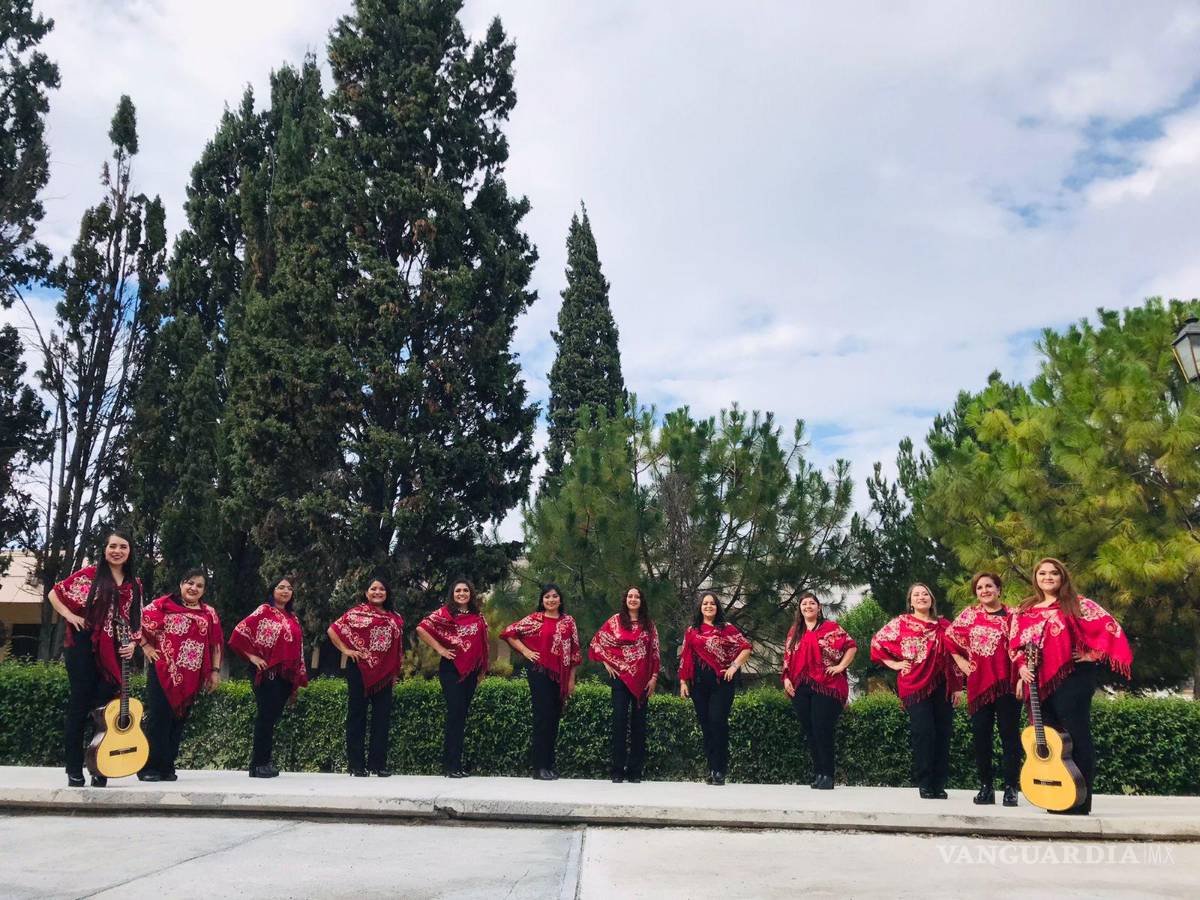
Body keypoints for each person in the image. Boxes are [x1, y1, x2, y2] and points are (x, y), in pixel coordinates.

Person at [1010, 557, 1132, 815]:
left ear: (1062, 577)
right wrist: (1021, 666)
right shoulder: (1026, 609)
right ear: (1036, 578)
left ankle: (1079, 801)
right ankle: (1056, 796)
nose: (1048, 577)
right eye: (1042, 573)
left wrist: (1091, 655)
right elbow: (1015, 644)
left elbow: (1111, 629)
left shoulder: (1079, 604)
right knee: (1051, 739)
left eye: (1054, 573)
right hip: (1038, 682)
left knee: (1075, 737)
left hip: (1073, 678)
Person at [47, 528, 143, 787]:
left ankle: (100, 766)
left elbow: (137, 619)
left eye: (123, 546)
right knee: (80, 706)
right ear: (105, 549)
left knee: (104, 712)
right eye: (113, 546)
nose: (117, 551)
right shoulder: (90, 575)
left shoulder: (134, 584)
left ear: (129, 551)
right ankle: (74, 769)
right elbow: (54, 594)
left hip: (113, 651)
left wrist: (132, 644)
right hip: (83, 645)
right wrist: (70, 615)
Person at [871, 583, 961, 799]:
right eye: (916, 595)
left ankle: (939, 784)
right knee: (924, 733)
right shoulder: (901, 623)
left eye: (925, 594)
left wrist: (957, 687)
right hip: (914, 685)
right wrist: (894, 664)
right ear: (910, 602)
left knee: (943, 734)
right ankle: (925, 783)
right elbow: (876, 643)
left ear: (931, 599)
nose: (921, 597)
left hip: (943, 686)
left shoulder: (945, 625)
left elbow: (955, 656)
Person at [137, 568, 223, 782]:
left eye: (199, 585)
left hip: (191, 675)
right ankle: (149, 767)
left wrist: (215, 671)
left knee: (178, 720)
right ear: (181, 584)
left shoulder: (209, 613)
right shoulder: (162, 605)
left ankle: (167, 766)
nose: (193, 588)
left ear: (204, 591)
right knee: (159, 718)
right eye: (190, 583)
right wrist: (146, 646)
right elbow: (135, 622)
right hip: (162, 670)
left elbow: (215, 644)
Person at [947, 571, 1020, 806]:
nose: (985, 591)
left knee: (1009, 737)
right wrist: (961, 662)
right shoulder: (969, 615)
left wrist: (1021, 677)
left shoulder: (1014, 615)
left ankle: (1011, 788)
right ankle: (986, 787)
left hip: (1007, 684)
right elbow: (949, 638)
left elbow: (1025, 646)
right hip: (979, 686)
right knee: (981, 737)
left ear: (999, 589)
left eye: (989, 586)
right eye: (980, 588)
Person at [228, 577, 309, 778]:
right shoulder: (263, 611)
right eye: (281, 587)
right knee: (265, 716)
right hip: (266, 672)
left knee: (272, 718)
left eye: (289, 588)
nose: (285, 591)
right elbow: (239, 633)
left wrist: (296, 679)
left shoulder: (293, 618)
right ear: (272, 590)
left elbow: (297, 650)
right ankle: (258, 764)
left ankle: (264, 762)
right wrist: (253, 656)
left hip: (284, 675)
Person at [501, 583, 582, 780]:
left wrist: (571, 679)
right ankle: (539, 767)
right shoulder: (534, 619)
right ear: (542, 600)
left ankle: (550, 764)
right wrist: (526, 651)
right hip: (539, 673)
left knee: (554, 719)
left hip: (560, 675)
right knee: (542, 718)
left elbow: (575, 653)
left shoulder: (568, 622)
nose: (551, 600)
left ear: (560, 599)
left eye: (554, 596)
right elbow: (509, 632)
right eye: (547, 597)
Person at [327, 577, 405, 777]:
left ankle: (377, 765)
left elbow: (397, 649)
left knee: (382, 719)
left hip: (385, 675)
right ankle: (356, 765)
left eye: (381, 589)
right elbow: (332, 630)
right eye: (373, 589)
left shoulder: (395, 618)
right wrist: (345, 649)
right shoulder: (356, 613)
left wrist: (394, 673)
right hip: (359, 670)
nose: (377, 592)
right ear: (366, 592)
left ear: (387, 593)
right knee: (357, 716)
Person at [781, 592, 856, 789]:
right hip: (800, 686)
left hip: (826, 684)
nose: (808, 606)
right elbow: (787, 659)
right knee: (810, 731)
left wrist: (840, 667)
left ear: (819, 607)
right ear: (800, 608)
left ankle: (828, 775)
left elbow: (851, 646)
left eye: (812, 603)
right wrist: (786, 679)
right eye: (804, 604)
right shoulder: (794, 632)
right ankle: (818, 774)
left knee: (822, 728)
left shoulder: (831, 629)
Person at [416, 579, 489, 777]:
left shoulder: (477, 616)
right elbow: (422, 628)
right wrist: (440, 649)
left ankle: (455, 764)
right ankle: (450, 766)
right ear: (452, 594)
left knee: (461, 716)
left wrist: (481, 669)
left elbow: (482, 644)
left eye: (466, 590)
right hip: (451, 669)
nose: (462, 593)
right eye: (458, 591)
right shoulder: (445, 613)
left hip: (471, 672)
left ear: (471, 594)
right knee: (455, 715)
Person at [589, 586, 661, 784]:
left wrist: (654, 677)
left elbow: (655, 653)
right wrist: (607, 662)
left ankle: (635, 771)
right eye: (630, 596)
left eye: (637, 596)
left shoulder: (649, 625)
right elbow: (597, 642)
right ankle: (617, 770)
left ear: (642, 600)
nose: (633, 599)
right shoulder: (615, 621)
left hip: (643, 681)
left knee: (639, 725)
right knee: (619, 723)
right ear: (625, 599)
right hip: (620, 679)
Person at [678, 590, 751, 786]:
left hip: (722, 684)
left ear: (717, 607)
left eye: (712, 603)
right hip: (698, 684)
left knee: (717, 722)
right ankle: (711, 768)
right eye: (705, 604)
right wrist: (683, 682)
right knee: (706, 726)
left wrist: (734, 666)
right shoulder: (692, 631)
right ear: (700, 608)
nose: (708, 606)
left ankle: (720, 770)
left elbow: (746, 647)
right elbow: (685, 657)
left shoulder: (727, 628)